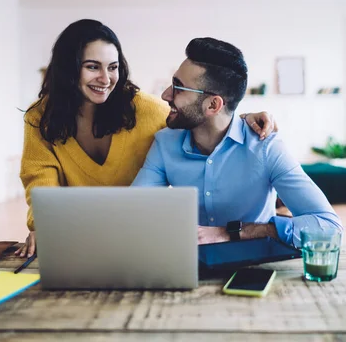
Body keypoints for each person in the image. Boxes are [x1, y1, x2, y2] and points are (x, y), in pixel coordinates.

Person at [16, 20, 277, 258]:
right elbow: (40, 180)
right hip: (76, 236)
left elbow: (198, 115)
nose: (106, 79)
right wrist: (43, 226)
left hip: (135, 237)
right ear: (69, 71)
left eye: (113, 67)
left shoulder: (146, 111)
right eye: (92, 67)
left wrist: (242, 120)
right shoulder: (41, 118)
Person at [132, 37, 342, 247]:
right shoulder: (165, 143)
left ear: (213, 105)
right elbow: (132, 212)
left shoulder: (265, 147)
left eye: (178, 87)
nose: (165, 95)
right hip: (190, 268)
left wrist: (233, 232)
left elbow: (328, 226)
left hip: (256, 267)